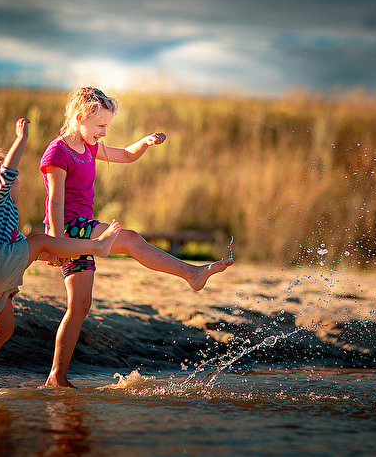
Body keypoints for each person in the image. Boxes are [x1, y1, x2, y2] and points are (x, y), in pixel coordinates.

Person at [40, 86, 234, 388]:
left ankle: (56, 377)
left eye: (107, 126)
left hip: (79, 229)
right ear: (79, 118)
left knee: (80, 306)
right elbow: (54, 202)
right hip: (68, 228)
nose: (104, 132)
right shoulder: (58, 152)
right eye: (100, 125)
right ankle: (192, 273)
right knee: (129, 239)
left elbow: (126, 155)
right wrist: (55, 243)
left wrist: (144, 142)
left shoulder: (89, 146)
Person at [0, 117, 121, 393]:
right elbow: (7, 171)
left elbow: (24, 249)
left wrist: (52, 256)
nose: (18, 184)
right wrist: (21, 139)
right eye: (17, 181)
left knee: (2, 330)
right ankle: (98, 246)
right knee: (42, 239)